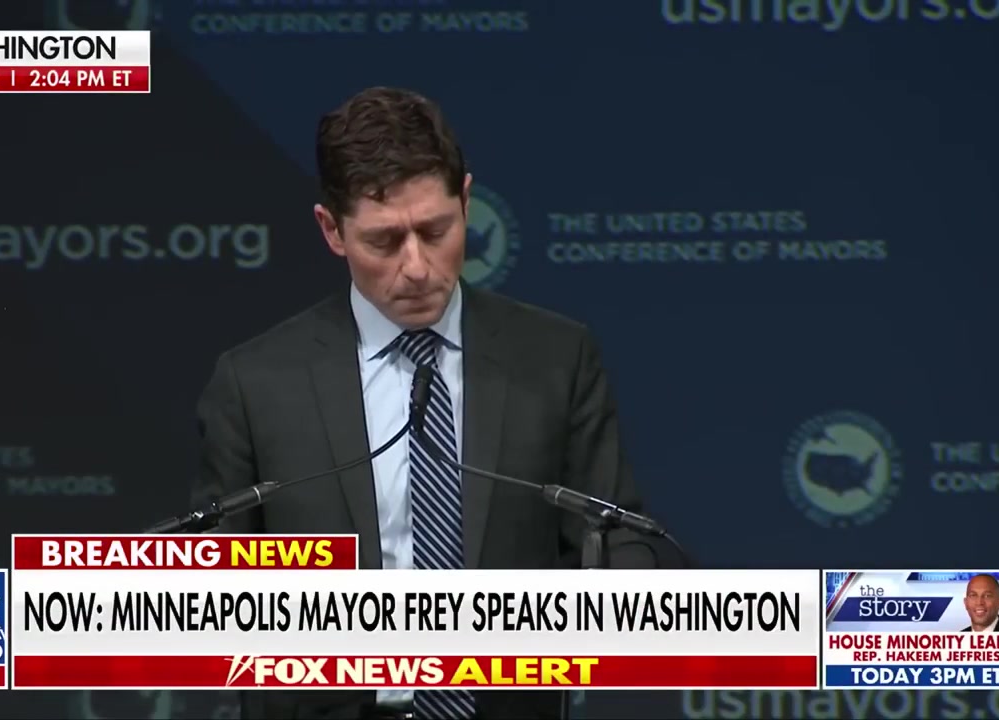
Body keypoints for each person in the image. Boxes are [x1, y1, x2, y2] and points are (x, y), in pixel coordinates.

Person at [193, 86, 681, 720]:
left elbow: (617, 537)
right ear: (332, 230)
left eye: (435, 231)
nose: (417, 267)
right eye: (384, 241)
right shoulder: (255, 383)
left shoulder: (556, 358)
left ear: (467, 202)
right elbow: (217, 592)